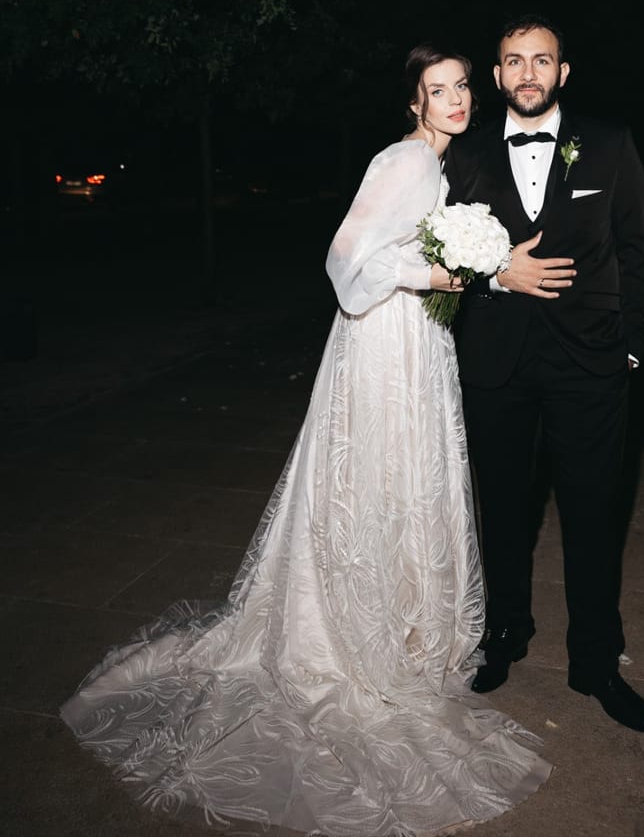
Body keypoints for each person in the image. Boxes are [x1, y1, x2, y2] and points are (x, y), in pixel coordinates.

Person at [60, 45, 551, 837]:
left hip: (417, 343)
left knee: (406, 480)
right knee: (379, 476)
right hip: (385, 344)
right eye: (439, 90)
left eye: (463, 86)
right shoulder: (403, 161)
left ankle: (404, 620)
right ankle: (360, 631)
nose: (456, 99)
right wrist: (440, 272)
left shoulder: (441, 166)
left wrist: (463, 266)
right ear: (414, 103)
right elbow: (345, 259)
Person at [445, 14, 644, 733]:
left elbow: (639, 251)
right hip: (495, 363)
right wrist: (495, 276)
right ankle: (505, 635)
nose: (528, 73)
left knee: (594, 513)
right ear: (498, 74)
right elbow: (436, 256)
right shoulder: (465, 155)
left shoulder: (609, 143)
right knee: (501, 509)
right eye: (513, 61)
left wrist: (628, 348)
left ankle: (595, 659)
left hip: (589, 364)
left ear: (563, 73)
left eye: (542, 61)